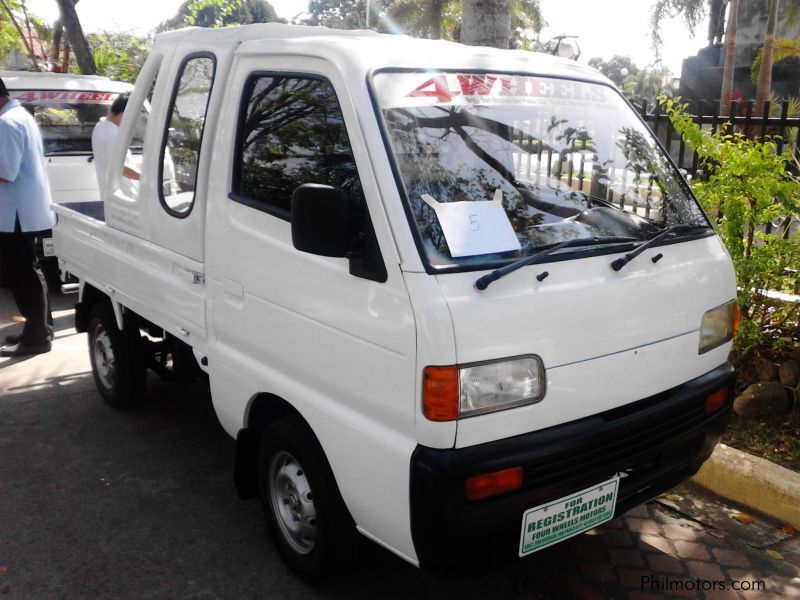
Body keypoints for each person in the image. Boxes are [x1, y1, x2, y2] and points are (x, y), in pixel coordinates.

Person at [0, 76, 54, 357]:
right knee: (29, 272)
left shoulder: (6, 123)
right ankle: (39, 330)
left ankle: (36, 338)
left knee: (23, 276)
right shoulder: (19, 116)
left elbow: (5, 172)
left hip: (15, 214)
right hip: (20, 211)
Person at [91, 94, 140, 194]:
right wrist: (145, 178)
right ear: (123, 115)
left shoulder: (101, 125)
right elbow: (120, 168)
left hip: (112, 194)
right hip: (123, 196)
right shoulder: (112, 135)